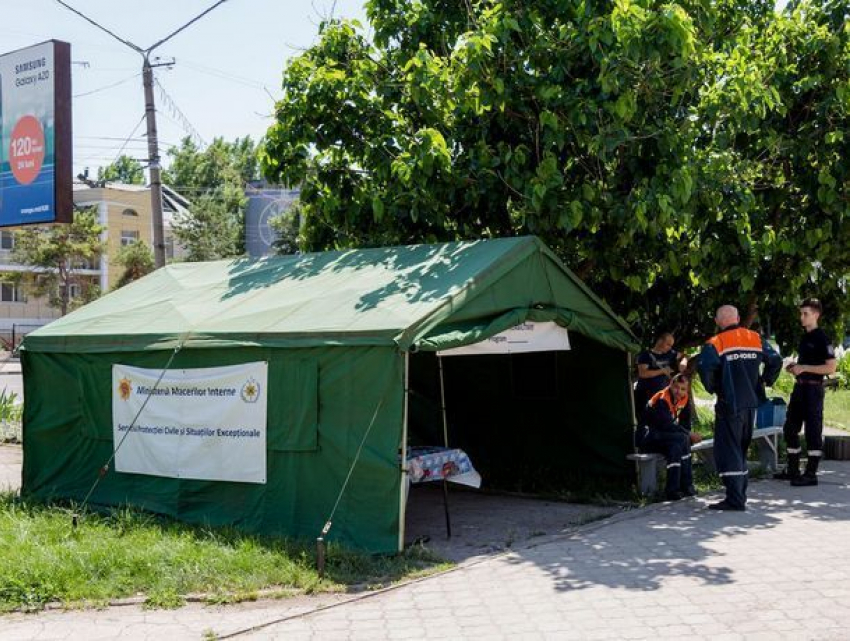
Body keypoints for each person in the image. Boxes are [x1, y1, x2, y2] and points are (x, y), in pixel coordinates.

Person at [698, 305, 782, 511]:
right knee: (741, 449)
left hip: (730, 404)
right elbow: (776, 360)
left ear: (718, 321)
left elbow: (704, 367)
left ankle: (735, 499)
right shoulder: (754, 338)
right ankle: (739, 494)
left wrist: (715, 388)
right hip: (751, 404)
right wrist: (765, 380)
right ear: (737, 318)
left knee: (730, 450)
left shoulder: (716, 343)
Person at [773, 298, 837, 486]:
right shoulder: (805, 337)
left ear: (816, 315)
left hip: (813, 390)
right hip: (800, 388)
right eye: (801, 313)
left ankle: (811, 474)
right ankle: (793, 470)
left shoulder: (822, 338)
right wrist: (796, 367)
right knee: (790, 428)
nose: (801, 317)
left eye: (805, 314)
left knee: (812, 431)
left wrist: (804, 368)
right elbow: (807, 365)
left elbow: (831, 367)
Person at [638, 374, 702, 500]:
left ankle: (675, 489)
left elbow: (685, 424)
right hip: (649, 437)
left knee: (676, 446)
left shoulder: (684, 399)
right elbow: (666, 425)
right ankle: (685, 485)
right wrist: (689, 435)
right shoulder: (662, 399)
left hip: (666, 438)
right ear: (670, 385)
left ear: (687, 390)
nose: (679, 391)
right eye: (676, 387)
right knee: (682, 439)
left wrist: (689, 435)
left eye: (683, 389)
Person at [635, 332, 682, 423]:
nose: (669, 347)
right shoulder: (645, 355)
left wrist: (683, 362)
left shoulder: (671, 353)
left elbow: (683, 356)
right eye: (668, 344)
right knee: (644, 422)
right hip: (645, 395)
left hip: (662, 395)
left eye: (671, 345)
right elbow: (643, 373)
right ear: (660, 341)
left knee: (663, 421)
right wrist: (663, 371)